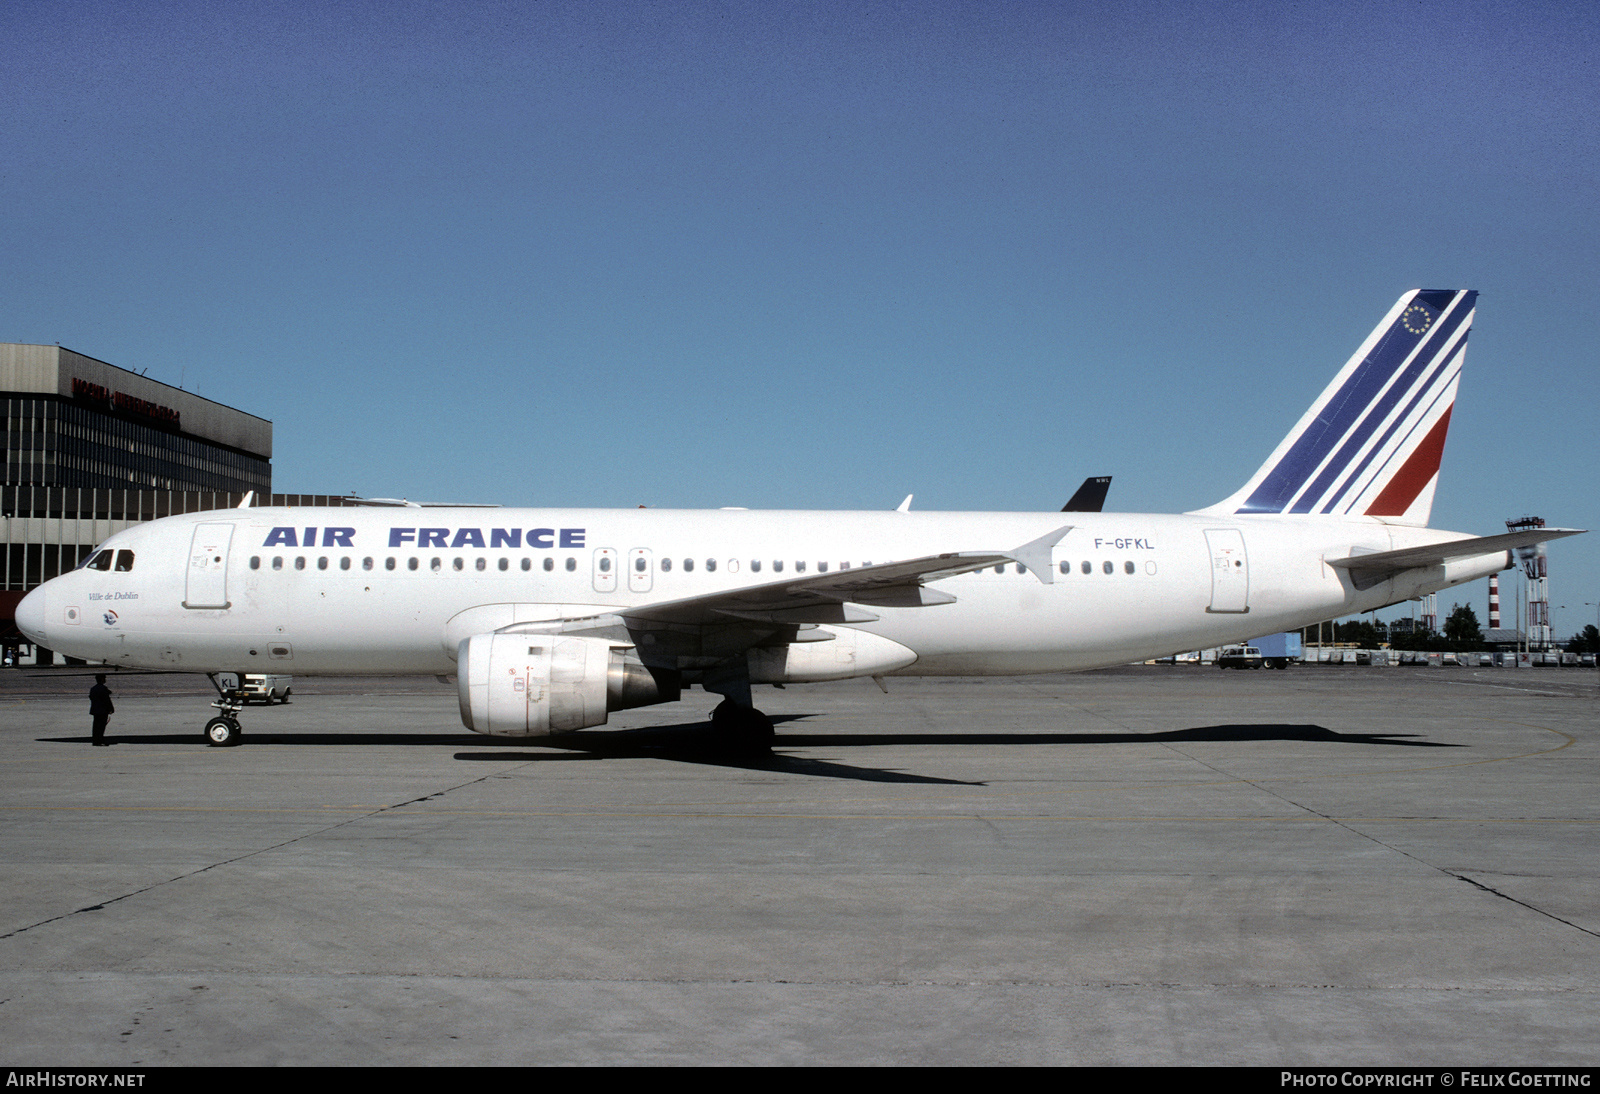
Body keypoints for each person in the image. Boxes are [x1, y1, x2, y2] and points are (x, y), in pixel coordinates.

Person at [89, 675, 114, 746]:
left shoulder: (93, 688)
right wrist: (111, 709)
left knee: (96, 726)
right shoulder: (103, 689)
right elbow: (107, 700)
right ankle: (99, 740)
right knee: (101, 726)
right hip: (102, 710)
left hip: (95, 710)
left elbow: (91, 697)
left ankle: (95, 740)